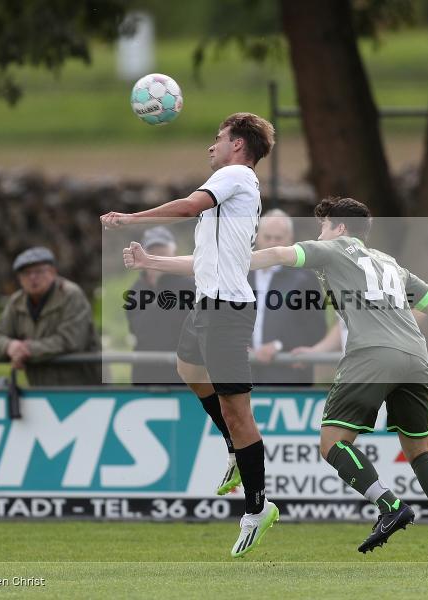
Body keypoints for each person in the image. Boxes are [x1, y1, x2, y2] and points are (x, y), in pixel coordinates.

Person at [125, 197, 428, 565]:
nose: (320, 232)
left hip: (371, 355)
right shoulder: (392, 265)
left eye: (324, 226)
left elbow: (276, 254)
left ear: (340, 229)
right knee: (421, 449)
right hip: (415, 357)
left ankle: (389, 505)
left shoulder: (332, 250)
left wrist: (217, 264)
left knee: (332, 443)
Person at [102, 112, 277, 557]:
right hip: (208, 307)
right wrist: (150, 264)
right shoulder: (231, 194)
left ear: (238, 145)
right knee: (187, 369)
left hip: (227, 312)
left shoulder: (236, 174)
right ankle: (235, 450)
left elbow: (187, 205)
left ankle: (258, 509)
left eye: (217, 138)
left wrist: (131, 219)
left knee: (238, 412)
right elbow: (202, 261)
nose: (211, 147)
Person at [0, 247, 101, 386]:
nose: (32, 278)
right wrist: (10, 346)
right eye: (26, 273)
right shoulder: (17, 301)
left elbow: (70, 340)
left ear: (52, 272)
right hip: (40, 390)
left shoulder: (70, 295)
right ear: (19, 279)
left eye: (39, 271)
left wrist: (27, 350)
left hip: (83, 387)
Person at [248, 209, 326, 386]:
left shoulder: (304, 277)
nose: (272, 243)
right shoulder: (242, 275)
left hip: (289, 374)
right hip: (244, 374)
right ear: (257, 237)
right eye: (267, 237)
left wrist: (278, 346)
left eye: (278, 238)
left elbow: (317, 328)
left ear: (290, 239)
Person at [126, 226, 195, 386]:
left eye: (162, 251)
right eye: (152, 252)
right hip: (146, 375)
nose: (157, 257)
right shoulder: (136, 290)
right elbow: (141, 331)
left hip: (183, 376)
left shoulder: (191, 286)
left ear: (174, 253)